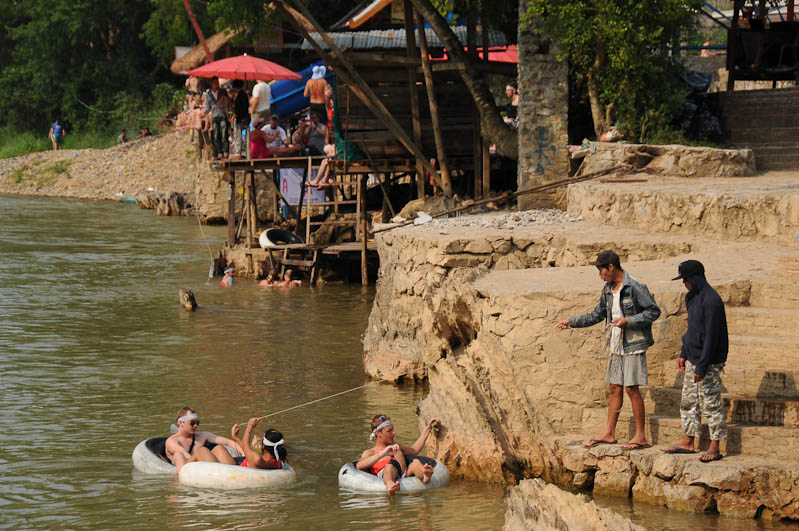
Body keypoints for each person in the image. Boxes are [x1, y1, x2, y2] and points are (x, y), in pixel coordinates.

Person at [556, 250, 661, 450]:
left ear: (611, 268)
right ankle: (609, 433)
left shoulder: (635, 287)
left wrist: (628, 321)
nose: (600, 275)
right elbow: (597, 314)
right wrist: (571, 322)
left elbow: (653, 311)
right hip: (616, 345)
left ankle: (640, 436)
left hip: (633, 344)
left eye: (601, 271)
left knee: (632, 388)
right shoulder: (607, 289)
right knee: (615, 388)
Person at [663, 260, 728, 462]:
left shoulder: (712, 301)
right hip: (693, 357)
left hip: (707, 360)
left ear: (694, 278)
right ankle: (688, 441)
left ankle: (715, 446)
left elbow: (711, 336)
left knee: (710, 403)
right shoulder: (692, 298)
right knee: (689, 401)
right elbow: (692, 329)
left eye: (685, 279)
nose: (684, 283)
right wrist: (684, 352)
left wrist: (702, 364)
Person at [357, 414, 441, 494]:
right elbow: (359, 466)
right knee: (389, 467)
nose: (394, 433)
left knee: (415, 462)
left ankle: (425, 474)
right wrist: (383, 453)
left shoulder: (396, 446)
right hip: (387, 474)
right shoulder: (370, 453)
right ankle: (390, 484)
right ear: (378, 433)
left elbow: (414, 450)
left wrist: (428, 427)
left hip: (404, 474)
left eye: (393, 429)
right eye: (389, 431)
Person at [165, 407, 244, 473]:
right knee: (201, 451)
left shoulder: (202, 436)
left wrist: (244, 453)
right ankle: (221, 473)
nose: (196, 425)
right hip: (188, 468)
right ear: (181, 423)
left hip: (207, 466)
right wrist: (203, 455)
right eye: (192, 423)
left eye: (197, 422)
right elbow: (185, 455)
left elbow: (228, 442)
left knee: (219, 448)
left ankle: (235, 473)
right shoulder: (172, 441)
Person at [206, 77, 231, 159]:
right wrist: (203, 112)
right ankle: (219, 151)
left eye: (217, 82)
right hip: (214, 115)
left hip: (223, 114)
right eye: (215, 82)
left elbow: (228, 101)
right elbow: (208, 106)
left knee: (224, 133)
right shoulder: (208, 94)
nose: (216, 84)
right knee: (216, 134)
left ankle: (226, 151)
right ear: (212, 83)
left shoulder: (223, 91)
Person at [230, 80, 250, 159]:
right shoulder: (243, 95)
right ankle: (247, 152)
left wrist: (235, 115)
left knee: (238, 135)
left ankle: (238, 153)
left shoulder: (241, 95)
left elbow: (240, 109)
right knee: (244, 137)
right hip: (245, 118)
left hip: (241, 118)